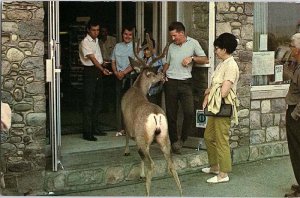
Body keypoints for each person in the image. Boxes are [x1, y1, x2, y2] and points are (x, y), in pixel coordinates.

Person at [162, 21, 209, 154]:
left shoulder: (193, 43)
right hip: (170, 82)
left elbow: (205, 59)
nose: (172, 39)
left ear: (182, 33)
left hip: (185, 83)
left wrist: (192, 58)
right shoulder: (171, 47)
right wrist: (162, 74)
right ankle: (174, 143)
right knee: (171, 115)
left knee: (189, 112)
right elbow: (167, 63)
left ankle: (183, 139)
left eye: (174, 35)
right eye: (171, 36)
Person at [201, 33, 239, 184]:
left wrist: (210, 91)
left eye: (217, 48)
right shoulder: (222, 64)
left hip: (223, 107)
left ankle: (223, 174)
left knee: (222, 140)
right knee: (208, 137)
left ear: (225, 49)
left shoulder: (231, 66)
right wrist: (210, 91)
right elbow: (215, 86)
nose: (215, 51)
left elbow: (224, 91)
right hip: (215, 107)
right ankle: (215, 166)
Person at [79, 19, 112, 141]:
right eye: (93, 30)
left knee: (98, 101)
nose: (96, 32)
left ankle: (95, 128)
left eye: (98, 30)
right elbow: (92, 59)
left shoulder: (96, 40)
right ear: (88, 30)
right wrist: (103, 69)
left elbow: (98, 58)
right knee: (88, 103)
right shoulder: (85, 42)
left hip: (98, 70)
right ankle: (87, 132)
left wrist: (104, 65)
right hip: (90, 72)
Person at [284, 33, 300, 197]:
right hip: (294, 109)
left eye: (292, 45)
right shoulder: (297, 63)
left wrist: (295, 114)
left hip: (297, 113)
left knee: (297, 149)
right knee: (296, 149)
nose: (290, 48)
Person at [111, 26, 135, 136]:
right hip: (118, 77)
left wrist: (123, 73)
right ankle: (120, 128)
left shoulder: (136, 47)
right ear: (122, 35)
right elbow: (113, 61)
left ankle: (129, 128)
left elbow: (134, 64)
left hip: (130, 77)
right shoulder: (117, 46)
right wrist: (116, 72)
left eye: (130, 34)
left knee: (130, 103)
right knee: (119, 102)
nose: (127, 36)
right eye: (126, 34)